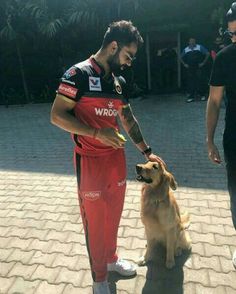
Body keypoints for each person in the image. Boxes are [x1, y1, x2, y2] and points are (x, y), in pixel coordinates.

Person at [50, 20, 164, 294]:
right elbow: (57, 115)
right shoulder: (76, 74)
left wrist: (147, 151)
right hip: (89, 162)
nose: (129, 62)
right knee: (95, 221)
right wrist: (95, 133)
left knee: (113, 215)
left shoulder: (117, 82)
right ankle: (98, 277)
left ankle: (111, 261)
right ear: (114, 46)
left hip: (116, 161)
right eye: (128, 55)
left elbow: (127, 118)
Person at [206, 2, 236, 269]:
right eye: (232, 34)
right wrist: (209, 139)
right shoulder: (226, 58)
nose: (235, 39)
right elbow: (214, 101)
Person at [180, 37, 210, 103]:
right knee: (191, 81)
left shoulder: (199, 47)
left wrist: (203, 63)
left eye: (193, 41)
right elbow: (180, 57)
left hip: (198, 67)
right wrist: (184, 64)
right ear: (189, 42)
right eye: (191, 41)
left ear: (195, 41)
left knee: (200, 80)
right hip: (190, 67)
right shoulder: (186, 49)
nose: (192, 42)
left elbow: (207, 53)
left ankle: (202, 95)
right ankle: (191, 96)